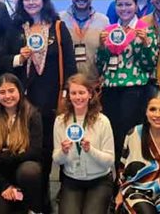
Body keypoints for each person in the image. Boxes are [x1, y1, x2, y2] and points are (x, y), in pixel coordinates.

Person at [0, 0, 77, 210]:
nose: (31, 3)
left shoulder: (58, 28)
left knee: (52, 150)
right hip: (23, 102)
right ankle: (33, 200)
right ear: (21, 3)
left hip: (53, 100)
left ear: (44, 0)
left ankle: (52, 198)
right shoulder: (15, 28)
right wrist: (18, 59)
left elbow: (70, 64)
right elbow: (1, 60)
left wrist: (66, 95)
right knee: (29, 152)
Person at [96, 0, 158, 161]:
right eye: (120, 5)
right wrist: (101, 47)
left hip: (134, 90)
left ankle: (129, 174)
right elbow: (100, 65)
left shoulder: (145, 30)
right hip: (110, 90)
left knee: (130, 134)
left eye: (128, 4)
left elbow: (149, 65)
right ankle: (113, 175)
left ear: (136, 6)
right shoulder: (108, 31)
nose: (124, 8)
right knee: (111, 134)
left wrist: (145, 44)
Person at [0, 73, 44, 214]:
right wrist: (4, 186)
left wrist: (1, 158)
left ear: (19, 91)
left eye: (11, 91)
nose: (7, 96)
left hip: (23, 175)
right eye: (2, 92)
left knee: (30, 171)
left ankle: (32, 208)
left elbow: (34, 151)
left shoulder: (32, 114)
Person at [116, 91, 160, 214]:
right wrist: (119, 192)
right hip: (137, 190)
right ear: (146, 112)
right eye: (153, 109)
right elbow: (123, 167)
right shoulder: (134, 134)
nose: (157, 115)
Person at [52, 74, 115, 214]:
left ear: (90, 95)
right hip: (72, 180)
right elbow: (56, 159)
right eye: (73, 93)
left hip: (99, 180)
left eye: (82, 92)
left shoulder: (102, 121)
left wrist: (90, 150)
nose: (78, 97)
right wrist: (63, 151)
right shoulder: (60, 121)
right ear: (68, 96)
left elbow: (110, 160)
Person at [59, 0, 110, 79]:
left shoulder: (103, 21)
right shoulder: (59, 20)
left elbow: (107, 53)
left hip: (94, 82)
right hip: (67, 83)